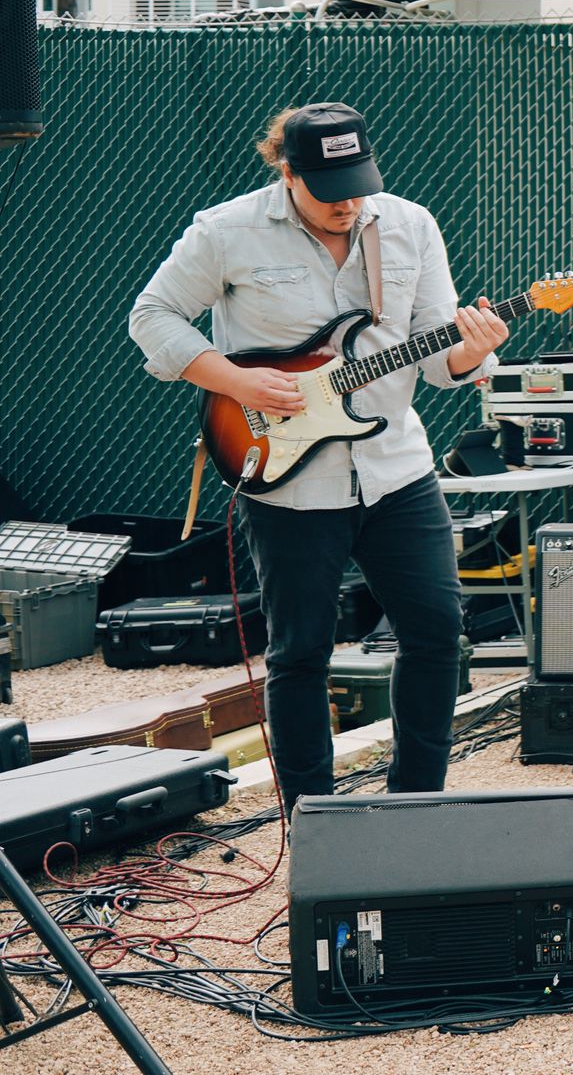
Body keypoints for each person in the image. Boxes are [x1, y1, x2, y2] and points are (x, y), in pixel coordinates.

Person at [129, 103, 509, 809]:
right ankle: (314, 817)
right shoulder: (226, 230)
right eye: (331, 190)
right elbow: (151, 316)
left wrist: (474, 350)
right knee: (300, 651)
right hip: (286, 478)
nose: (349, 204)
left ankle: (415, 804)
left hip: (396, 468)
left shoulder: (408, 225)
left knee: (437, 635)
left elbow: (436, 354)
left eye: (360, 184)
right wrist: (235, 379)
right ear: (288, 172)